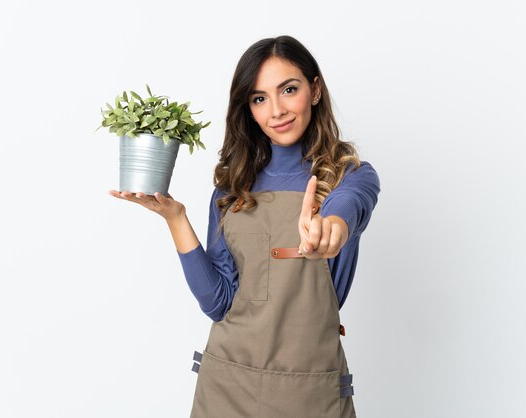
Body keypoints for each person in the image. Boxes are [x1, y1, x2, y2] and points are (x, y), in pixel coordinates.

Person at [109, 35, 379, 418]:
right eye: (259, 98)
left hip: (310, 390)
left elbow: (348, 207)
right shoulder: (232, 186)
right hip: (227, 385)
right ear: (248, 109)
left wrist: (331, 226)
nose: (277, 110)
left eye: (289, 89)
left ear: (315, 90)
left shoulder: (350, 178)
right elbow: (218, 302)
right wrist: (176, 219)